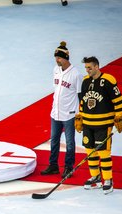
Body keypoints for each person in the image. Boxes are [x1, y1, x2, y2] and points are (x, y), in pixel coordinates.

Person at [76, 56, 122, 194]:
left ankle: (108, 180)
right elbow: (83, 102)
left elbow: (120, 102)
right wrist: (80, 117)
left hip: (103, 125)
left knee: (104, 153)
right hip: (88, 124)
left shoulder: (108, 81)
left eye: (90, 67)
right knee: (90, 151)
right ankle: (96, 177)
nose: (87, 70)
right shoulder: (85, 81)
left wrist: (120, 117)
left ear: (97, 66)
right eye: (86, 68)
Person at [41, 41, 83, 178]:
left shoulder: (76, 74)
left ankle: (68, 168)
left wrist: (81, 114)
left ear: (65, 58)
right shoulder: (56, 70)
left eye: (59, 57)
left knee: (70, 143)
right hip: (55, 112)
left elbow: (80, 94)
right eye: (56, 58)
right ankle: (53, 165)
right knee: (54, 140)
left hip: (69, 114)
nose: (57, 60)